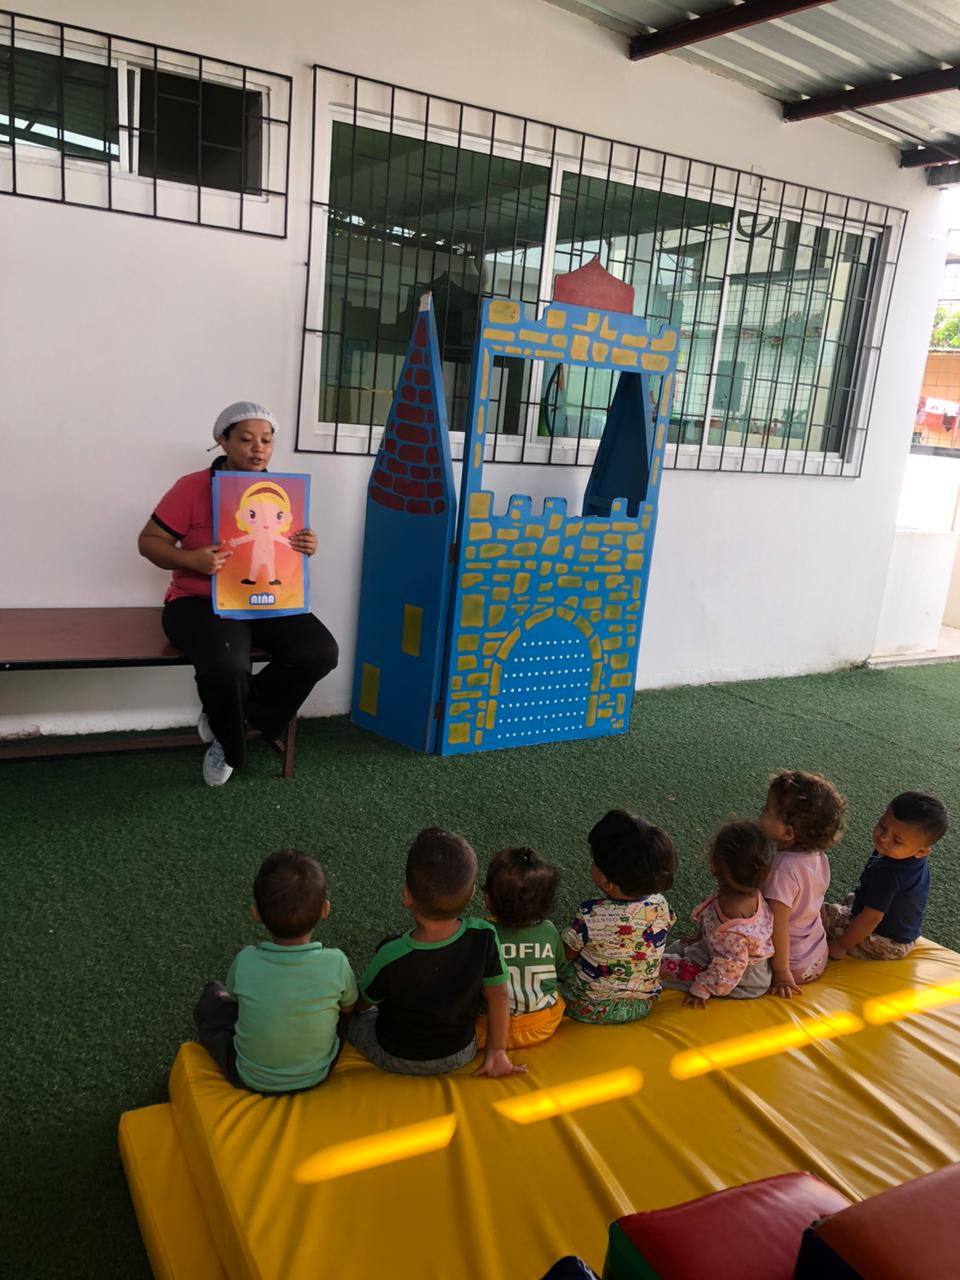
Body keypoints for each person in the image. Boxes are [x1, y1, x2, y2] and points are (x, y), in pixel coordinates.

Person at [137, 402, 338, 786]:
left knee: (319, 652)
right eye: (246, 439)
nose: (258, 448)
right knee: (229, 666)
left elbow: (284, 545)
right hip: (199, 601)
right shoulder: (191, 488)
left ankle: (230, 719)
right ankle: (231, 743)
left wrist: (307, 544)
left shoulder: (282, 492)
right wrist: (191, 559)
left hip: (268, 598)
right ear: (222, 441)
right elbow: (148, 542)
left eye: (266, 440)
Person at [348, 828, 527, 1078]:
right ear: (471, 893)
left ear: (407, 896)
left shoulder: (391, 954)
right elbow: (499, 994)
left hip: (398, 1057)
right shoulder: (484, 935)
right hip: (461, 1052)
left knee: (354, 1017)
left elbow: (360, 1004)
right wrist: (497, 1051)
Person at [193, 849, 357, 1094]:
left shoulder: (246, 960)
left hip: (249, 1076)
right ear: (325, 909)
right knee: (345, 1016)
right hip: (317, 1073)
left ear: (256, 914)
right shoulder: (336, 962)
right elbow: (348, 1007)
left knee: (213, 996)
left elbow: (235, 1000)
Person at [560, 810, 676, 1025]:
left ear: (607, 883)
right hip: (641, 1003)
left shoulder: (591, 913)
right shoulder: (661, 903)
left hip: (588, 1006)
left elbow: (566, 954)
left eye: (595, 862)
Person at [660, 820, 775, 1007]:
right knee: (676, 946)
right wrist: (700, 936)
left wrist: (702, 990)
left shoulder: (733, 919)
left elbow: (731, 967)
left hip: (742, 980)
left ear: (713, 864)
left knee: (662, 969)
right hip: (721, 953)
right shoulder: (747, 891)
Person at [824, 792, 948, 961]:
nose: (883, 838)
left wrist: (840, 946)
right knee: (852, 898)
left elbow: (872, 917)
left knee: (818, 913)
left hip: (884, 943)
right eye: (883, 826)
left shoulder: (890, 874)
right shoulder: (909, 856)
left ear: (921, 851)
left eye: (897, 841)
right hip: (901, 934)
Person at [760, 770, 846, 998]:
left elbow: (778, 925)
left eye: (767, 810)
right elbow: (818, 904)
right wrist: (826, 935)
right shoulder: (818, 856)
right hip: (818, 955)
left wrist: (781, 972)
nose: (761, 811)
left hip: (793, 966)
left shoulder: (781, 870)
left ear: (788, 832)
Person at [477, 847, 565, 1049]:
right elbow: (560, 966)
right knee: (558, 996)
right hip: (541, 1027)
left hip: (488, 1032)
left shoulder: (480, 932)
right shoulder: (549, 930)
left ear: (488, 899)